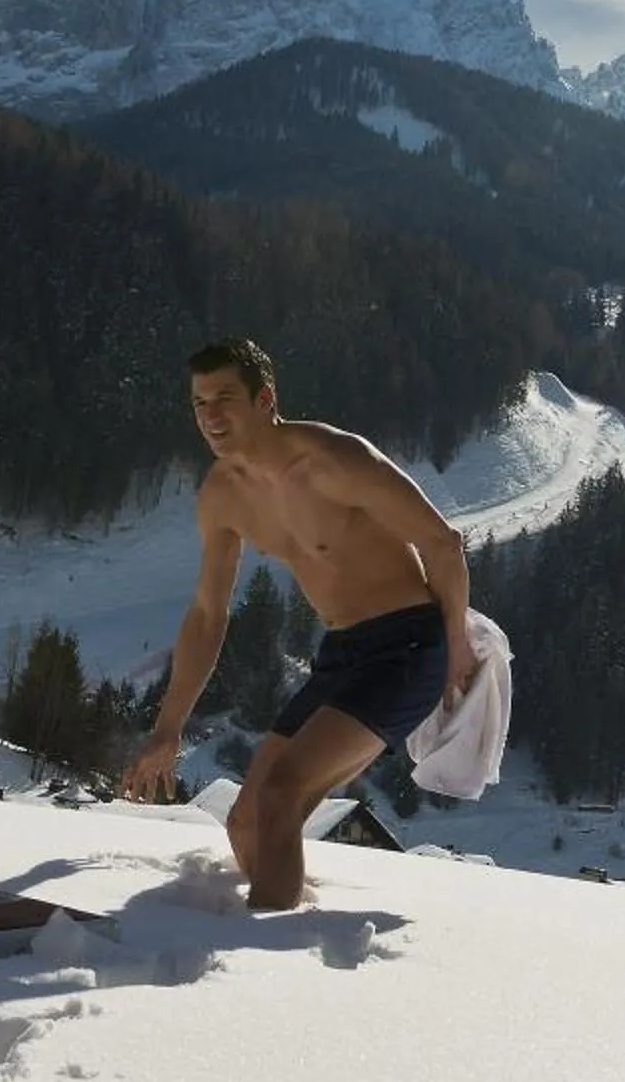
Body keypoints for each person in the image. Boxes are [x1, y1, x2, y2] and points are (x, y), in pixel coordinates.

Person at [123, 338, 478, 908]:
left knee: (282, 794)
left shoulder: (333, 461)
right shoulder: (222, 495)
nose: (211, 416)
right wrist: (169, 728)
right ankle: (291, 928)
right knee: (246, 826)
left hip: (408, 646)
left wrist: (455, 644)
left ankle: (261, 958)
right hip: (342, 653)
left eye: (225, 399)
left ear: (265, 399)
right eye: (198, 403)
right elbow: (208, 613)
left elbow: (443, 541)